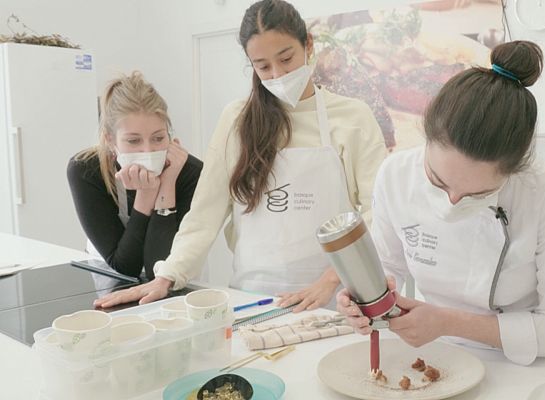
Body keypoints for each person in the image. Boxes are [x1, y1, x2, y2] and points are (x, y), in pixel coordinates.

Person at [94, 0, 386, 311]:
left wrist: (332, 279)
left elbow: (379, 214)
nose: (277, 74)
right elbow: (205, 213)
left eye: (286, 59)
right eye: (262, 66)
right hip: (253, 299)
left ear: (308, 45)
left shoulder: (352, 117)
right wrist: (167, 276)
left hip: (333, 299)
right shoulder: (236, 119)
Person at [337, 41, 545, 366]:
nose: (452, 202)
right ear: (426, 138)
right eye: (437, 181)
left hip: (536, 366)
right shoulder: (395, 175)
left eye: (477, 194)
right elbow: (388, 268)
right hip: (444, 358)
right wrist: (363, 299)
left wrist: (447, 322)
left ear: (514, 171)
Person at [68, 72, 203, 279]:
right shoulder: (86, 170)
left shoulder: (189, 172)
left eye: (158, 138)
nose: (147, 150)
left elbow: (156, 268)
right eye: (133, 141)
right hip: (109, 276)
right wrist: (146, 194)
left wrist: (166, 183)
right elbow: (125, 265)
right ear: (110, 140)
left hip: (172, 280)